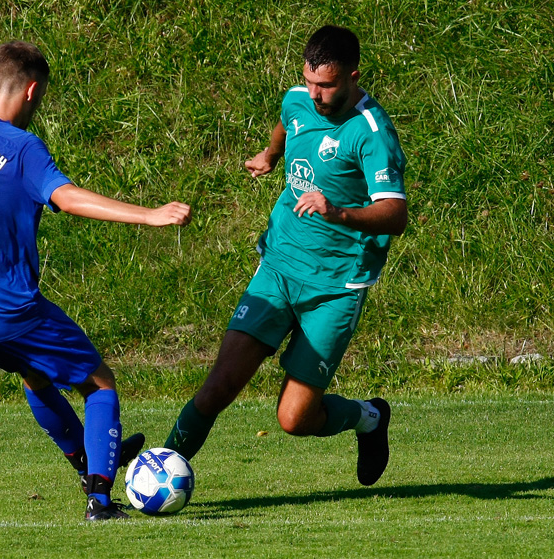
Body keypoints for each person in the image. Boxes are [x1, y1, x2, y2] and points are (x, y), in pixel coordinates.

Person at [0, 41, 192, 521]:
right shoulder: (22, 147)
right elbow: (68, 198)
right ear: (33, 91)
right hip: (7, 310)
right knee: (99, 384)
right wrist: (150, 215)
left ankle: (90, 459)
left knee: (35, 374)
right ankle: (99, 498)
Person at [162, 25, 407, 486]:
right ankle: (157, 466)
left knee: (294, 419)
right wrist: (271, 155)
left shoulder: (372, 133)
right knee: (219, 386)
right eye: (310, 81)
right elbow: (287, 122)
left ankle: (370, 418)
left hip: (335, 285)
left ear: (353, 76)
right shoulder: (298, 99)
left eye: (327, 85)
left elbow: (395, 214)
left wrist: (338, 212)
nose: (315, 94)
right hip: (278, 266)